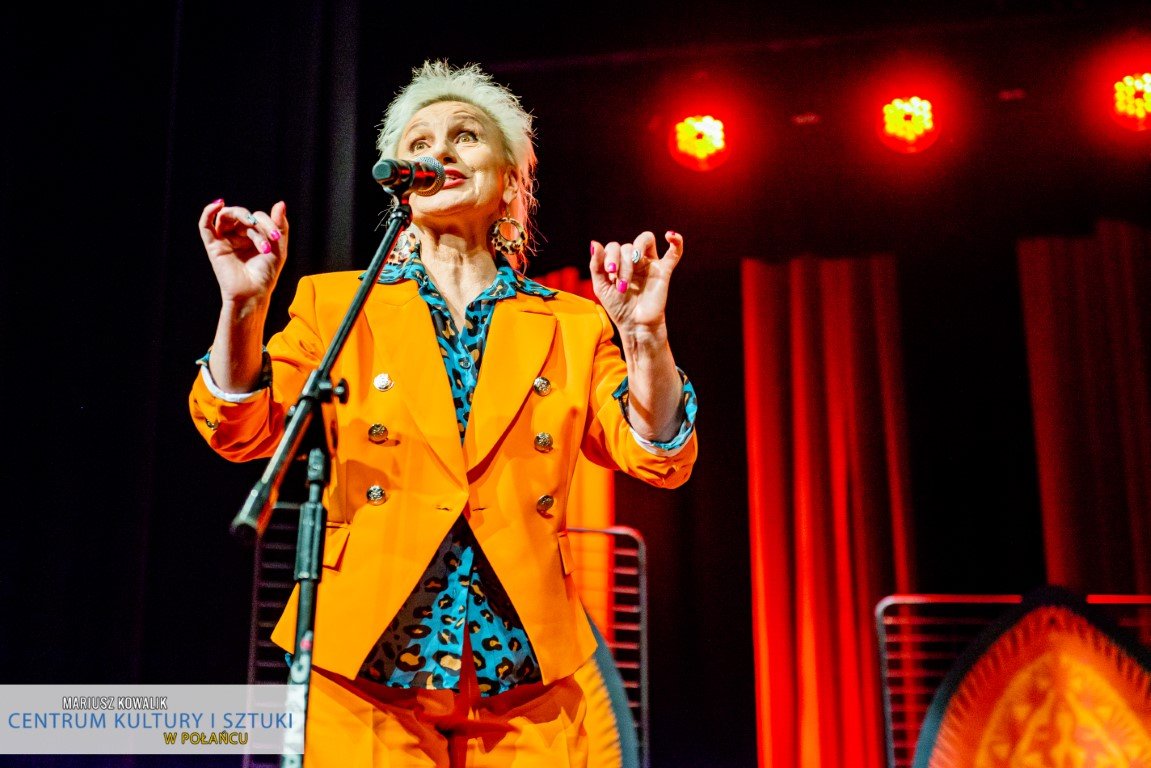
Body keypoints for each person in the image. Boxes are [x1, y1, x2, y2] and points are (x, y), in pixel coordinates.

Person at [189, 59, 698, 767]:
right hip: (363, 670)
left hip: (528, 678)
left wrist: (645, 338)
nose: (440, 151)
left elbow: (656, 454)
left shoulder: (571, 323)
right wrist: (243, 307)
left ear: (511, 182)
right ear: (401, 180)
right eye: (420, 143)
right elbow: (241, 430)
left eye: (465, 136)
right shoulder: (339, 305)